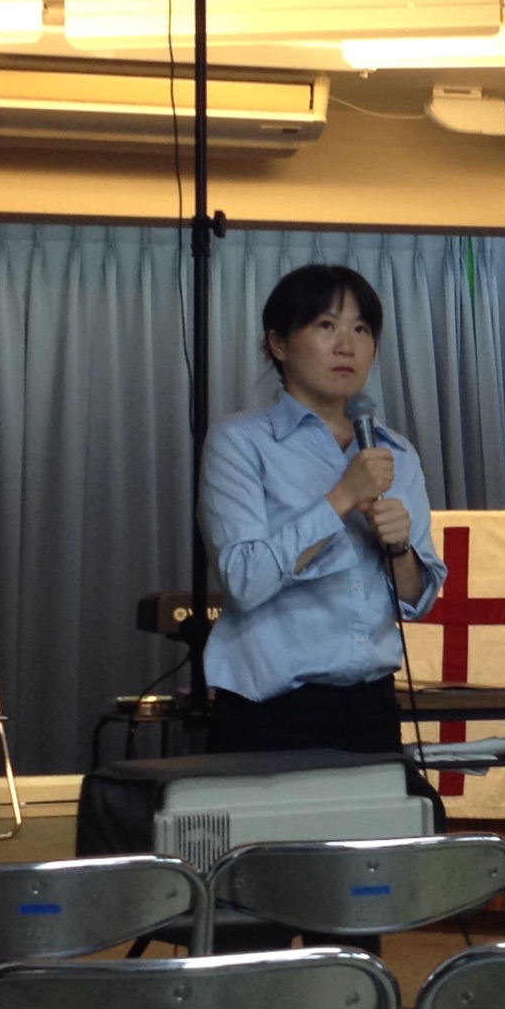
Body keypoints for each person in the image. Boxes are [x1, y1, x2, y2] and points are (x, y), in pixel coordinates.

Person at [198, 263, 447, 761]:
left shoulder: (396, 452)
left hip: (371, 704)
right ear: (279, 343)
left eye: (362, 329)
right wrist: (342, 498)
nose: (346, 346)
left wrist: (400, 549)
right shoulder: (241, 442)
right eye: (326, 325)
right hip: (270, 713)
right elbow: (244, 580)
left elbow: (416, 600)